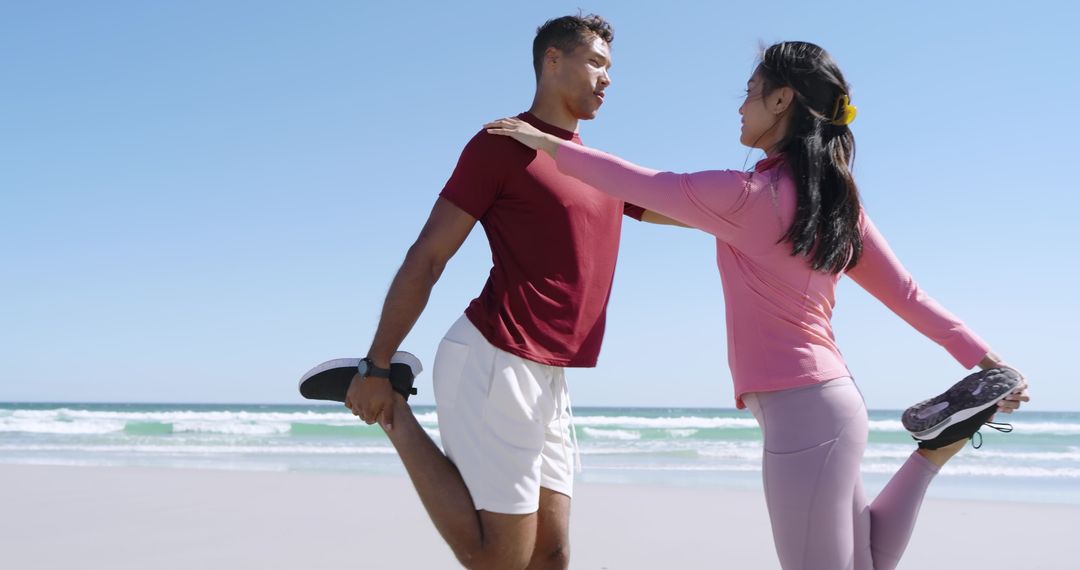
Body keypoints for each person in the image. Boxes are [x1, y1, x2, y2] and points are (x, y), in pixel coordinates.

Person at [485, 40, 1030, 570]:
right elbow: (908, 295)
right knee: (861, 564)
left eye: (750, 91)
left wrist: (548, 143)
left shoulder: (745, 196)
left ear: (781, 99)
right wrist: (988, 361)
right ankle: (933, 451)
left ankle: (933, 452)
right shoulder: (835, 205)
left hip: (802, 416)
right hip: (835, 404)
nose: (741, 106)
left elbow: (640, 184)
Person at [344, 14, 677, 570]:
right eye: (595, 62)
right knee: (500, 559)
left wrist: (773, 199)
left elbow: (688, 209)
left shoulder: (597, 167)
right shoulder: (499, 145)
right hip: (494, 357)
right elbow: (428, 256)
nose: (607, 78)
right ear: (552, 60)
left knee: (552, 556)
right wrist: (377, 364)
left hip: (550, 373)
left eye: (610, 68)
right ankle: (393, 410)